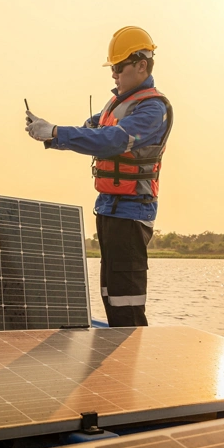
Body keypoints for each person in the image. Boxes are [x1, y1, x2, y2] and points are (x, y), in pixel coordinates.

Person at [25, 26, 173, 327]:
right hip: (108, 208)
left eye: (119, 67)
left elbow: (113, 140)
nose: (114, 74)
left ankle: (135, 366)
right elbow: (90, 132)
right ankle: (121, 365)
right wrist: (50, 134)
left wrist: (55, 132)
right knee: (110, 294)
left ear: (141, 64)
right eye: (113, 68)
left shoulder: (153, 109)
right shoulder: (116, 105)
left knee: (126, 302)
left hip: (132, 212)